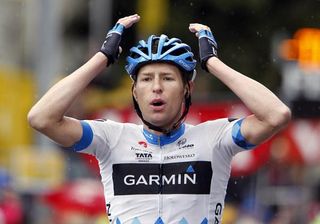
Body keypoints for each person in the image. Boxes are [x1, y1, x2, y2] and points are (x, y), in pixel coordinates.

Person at [28, 14, 291, 224]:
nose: (156, 87)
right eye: (146, 79)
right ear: (134, 91)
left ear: (187, 90)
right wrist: (102, 59)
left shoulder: (214, 138)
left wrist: (212, 63)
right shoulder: (110, 138)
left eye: (167, 78)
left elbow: (276, 115)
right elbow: (42, 118)